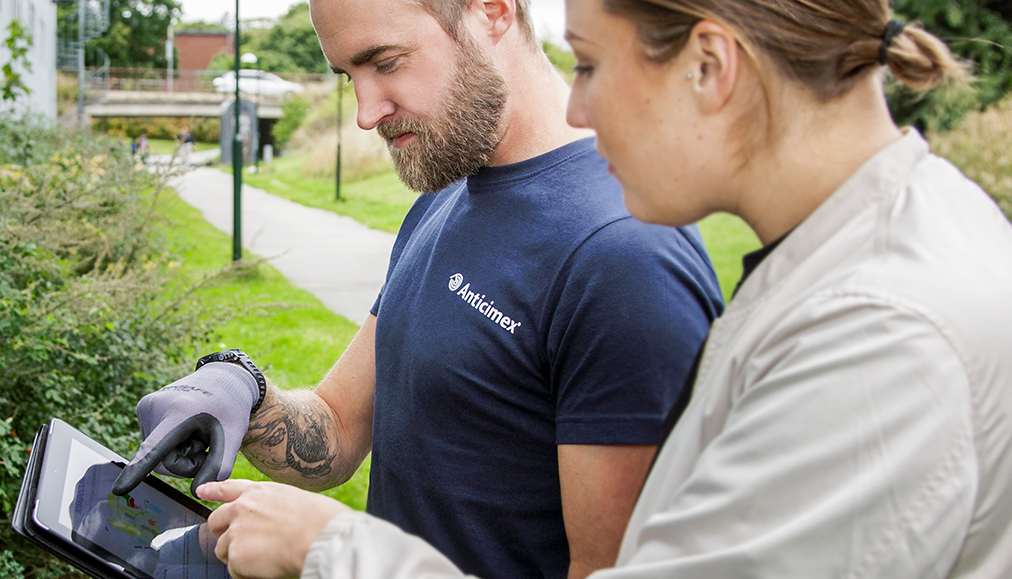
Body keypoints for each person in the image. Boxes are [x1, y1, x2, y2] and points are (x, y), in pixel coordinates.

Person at [198, 0, 1012, 576]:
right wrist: (241, 391)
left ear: (710, 64)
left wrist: (333, 550)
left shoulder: (880, 331)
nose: (578, 106)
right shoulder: (843, 267)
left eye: (589, 63)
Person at [110, 0, 724, 577]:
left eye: (385, 62)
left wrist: (334, 552)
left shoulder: (628, 258)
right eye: (349, 76)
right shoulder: (448, 189)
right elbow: (336, 430)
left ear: (492, 11)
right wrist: (242, 391)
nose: (365, 112)